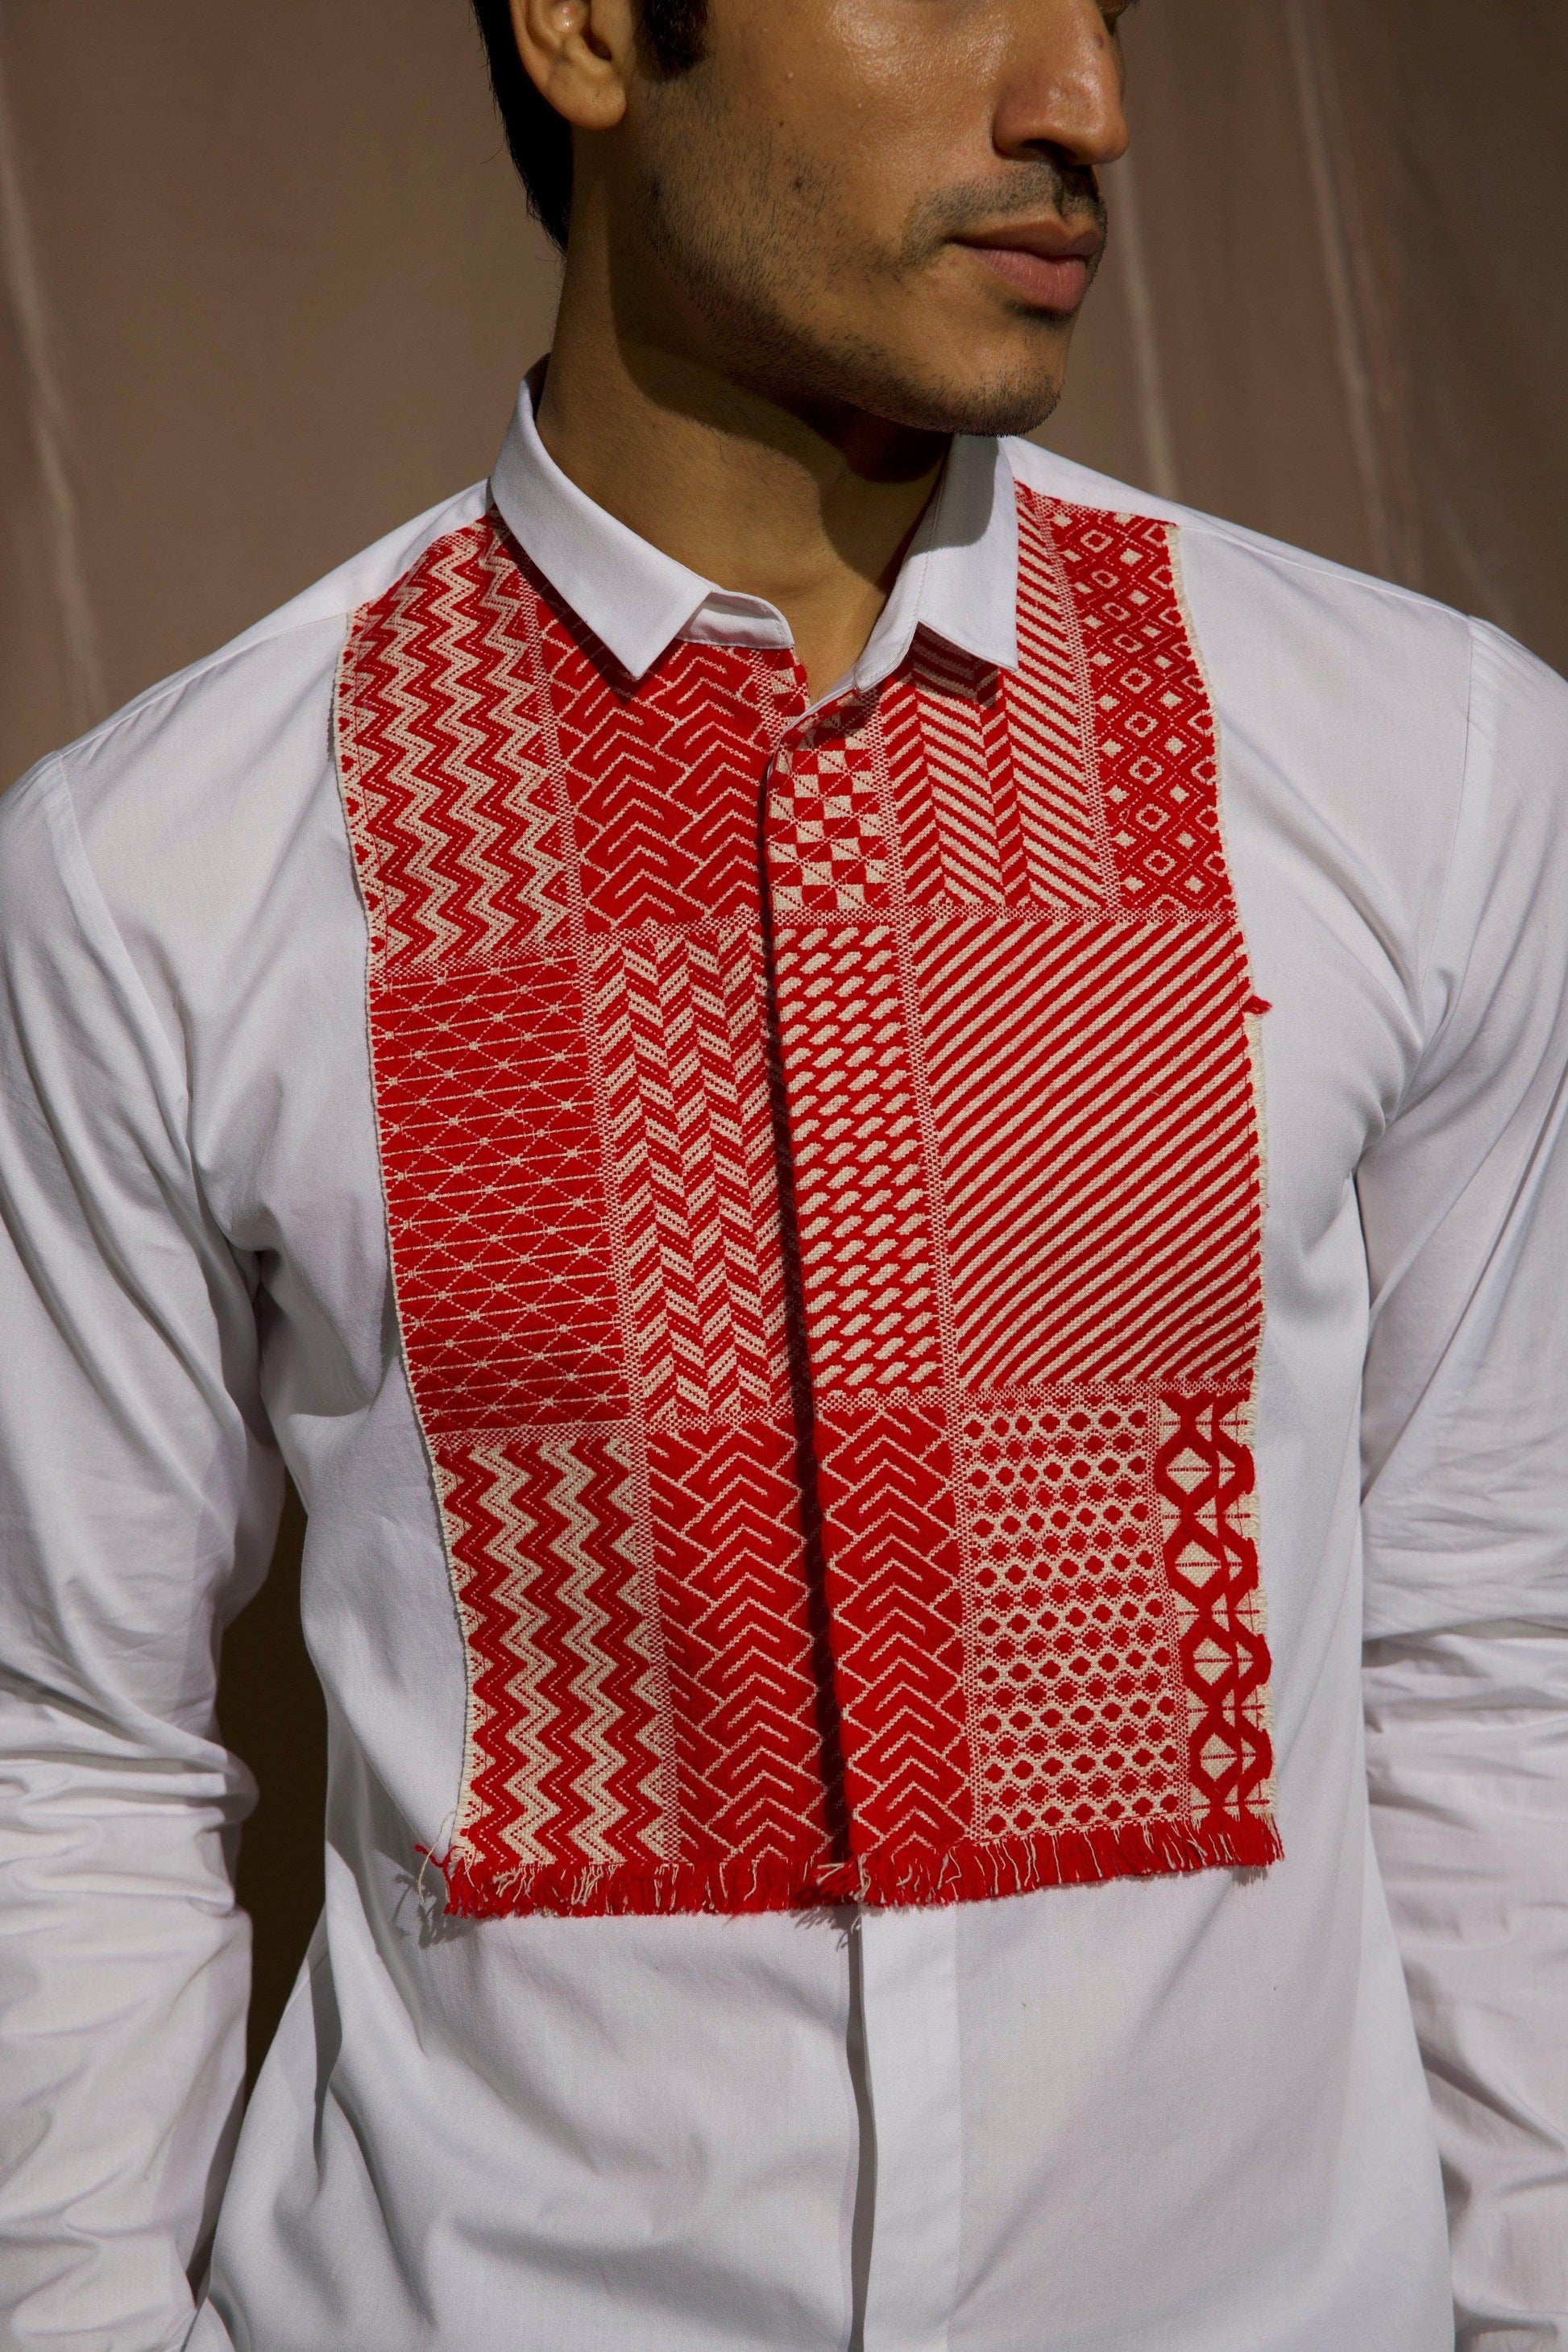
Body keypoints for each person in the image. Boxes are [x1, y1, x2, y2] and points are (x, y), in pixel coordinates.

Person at [0, 0, 1563, 2343]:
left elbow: (1498, 1663)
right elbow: (65, 1752)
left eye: (1107, 7)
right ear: (587, 30)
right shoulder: (157, 870)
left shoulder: (1427, 764)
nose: (1083, 107)